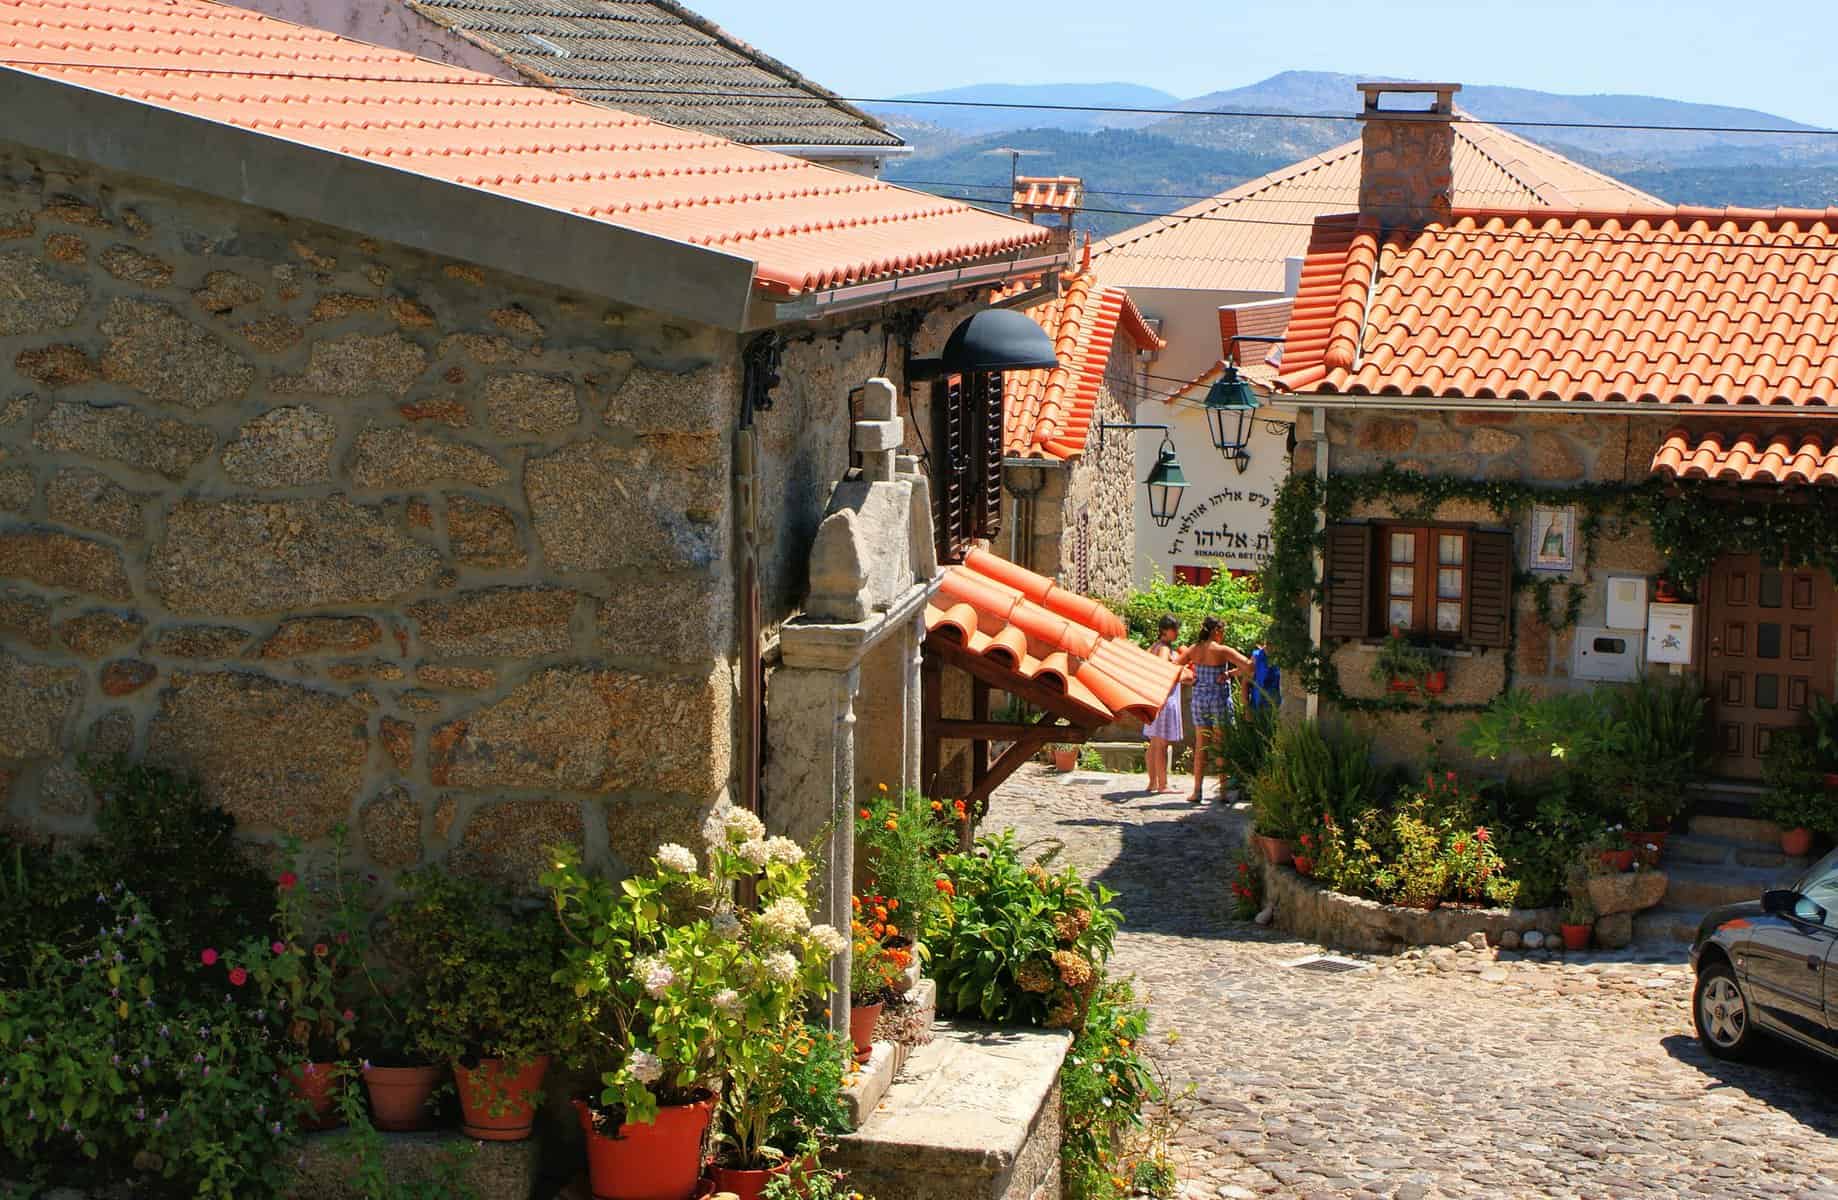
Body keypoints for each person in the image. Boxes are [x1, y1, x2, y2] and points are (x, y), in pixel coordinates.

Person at [1177, 616, 1251, 804]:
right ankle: (1223, 792)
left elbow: (1173, 666)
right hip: (1218, 700)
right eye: (1222, 631)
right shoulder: (1222, 650)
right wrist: (1229, 674)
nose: (1223, 635)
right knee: (1220, 746)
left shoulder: (1194, 649)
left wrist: (1190, 677)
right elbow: (1250, 666)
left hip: (1200, 700)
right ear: (1216, 630)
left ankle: (1197, 791)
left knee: (1201, 746)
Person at [1141, 615, 1190, 795]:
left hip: (1154, 698)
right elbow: (1162, 669)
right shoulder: (1163, 649)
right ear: (1164, 630)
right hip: (1164, 699)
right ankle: (1162, 785)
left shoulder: (1154, 646)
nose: (1176, 632)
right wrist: (1181, 671)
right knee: (1161, 744)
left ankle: (1153, 782)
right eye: (1174, 629)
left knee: (1154, 743)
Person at [1248, 637, 1281, 711]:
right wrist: (1247, 706)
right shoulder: (1256, 656)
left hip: (1274, 700)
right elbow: (1247, 678)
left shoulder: (1279, 657)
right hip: (1258, 700)